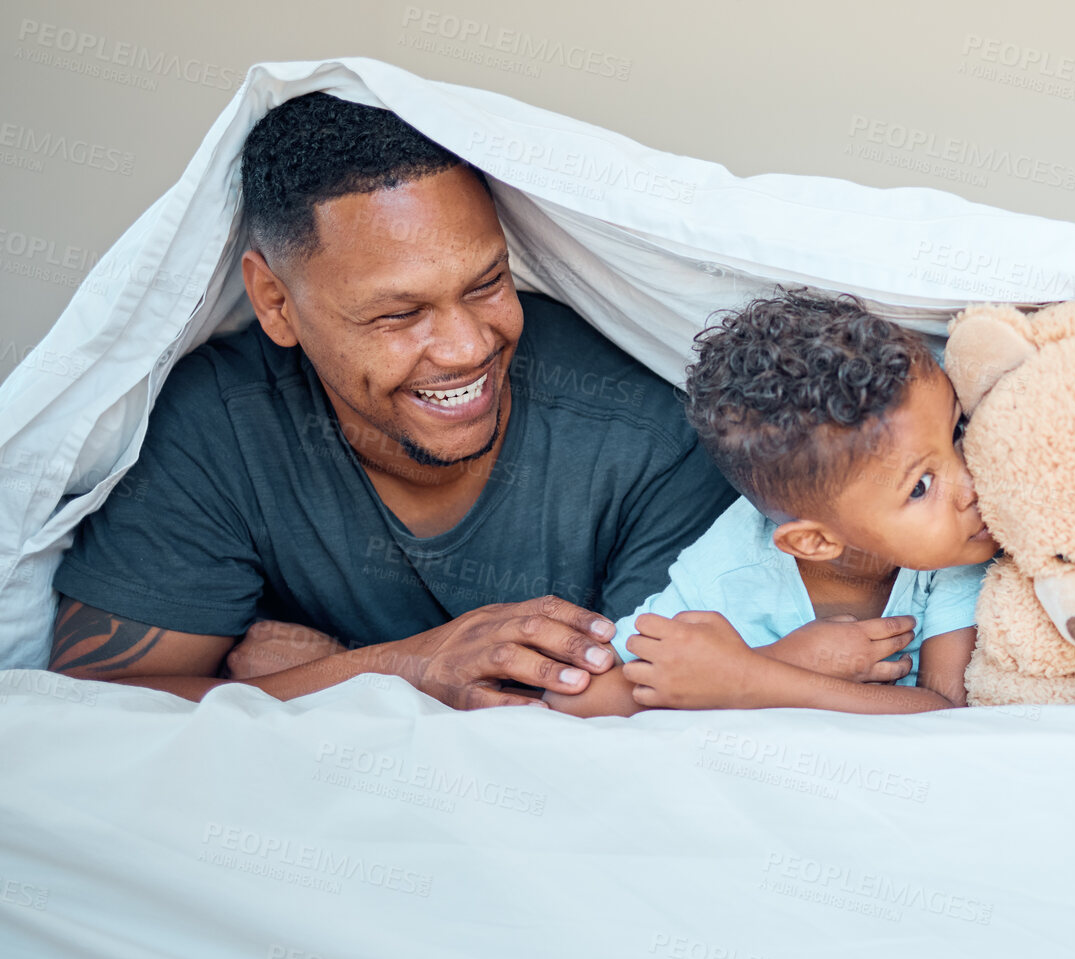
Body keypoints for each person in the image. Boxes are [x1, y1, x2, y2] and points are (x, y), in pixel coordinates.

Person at [45, 93, 735, 708]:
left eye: (487, 283)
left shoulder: (648, 427)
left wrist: (329, 677)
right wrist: (398, 668)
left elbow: (649, 727)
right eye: (398, 315)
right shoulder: (220, 426)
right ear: (275, 303)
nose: (467, 347)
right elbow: (94, 715)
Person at [547, 292, 997, 717]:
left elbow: (947, 712)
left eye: (958, 430)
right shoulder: (726, 573)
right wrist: (773, 664)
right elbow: (575, 698)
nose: (972, 481)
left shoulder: (958, 550)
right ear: (815, 542)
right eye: (920, 486)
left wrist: (758, 678)